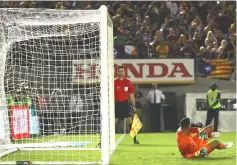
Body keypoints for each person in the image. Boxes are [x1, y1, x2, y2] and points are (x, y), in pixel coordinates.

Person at [114, 65, 139, 144]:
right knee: (114, 121)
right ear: (117, 72)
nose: (121, 72)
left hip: (125, 103)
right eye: (120, 71)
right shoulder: (114, 82)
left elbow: (131, 95)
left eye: (122, 71)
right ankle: (108, 139)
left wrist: (134, 105)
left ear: (124, 72)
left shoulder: (128, 82)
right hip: (116, 104)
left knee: (130, 120)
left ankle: (134, 139)